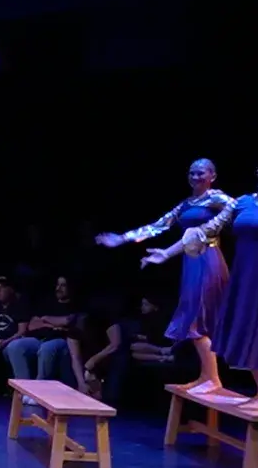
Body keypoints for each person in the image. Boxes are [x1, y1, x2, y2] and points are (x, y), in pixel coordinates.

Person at [143, 156, 258, 411]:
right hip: (246, 271)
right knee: (245, 325)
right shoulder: (243, 203)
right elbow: (207, 229)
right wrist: (167, 253)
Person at [97, 158, 233, 395]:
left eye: (201, 173)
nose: (195, 177)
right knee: (194, 320)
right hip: (190, 261)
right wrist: (123, 238)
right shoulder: (186, 204)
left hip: (207, 258)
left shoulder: (219, 199)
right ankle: (207, 376)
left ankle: (213, 378)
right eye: (191, 173)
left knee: (197, 321)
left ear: (212, 176)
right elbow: (158, 226)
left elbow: (239, 214)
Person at [5, 275, 85, 395]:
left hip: (61, 341)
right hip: (40, 339)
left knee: (47, 348)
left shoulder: (75, 305)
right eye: (57, 285)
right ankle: (24, 391)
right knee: (15, 346)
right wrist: (53, 324)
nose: (59, 288)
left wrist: (45, 320)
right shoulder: (47, 303)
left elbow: (68, 321)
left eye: (63, 285)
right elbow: (31, 325)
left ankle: (38, 392)